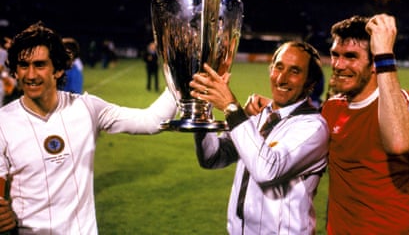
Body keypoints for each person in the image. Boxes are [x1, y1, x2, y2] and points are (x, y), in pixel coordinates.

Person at [0, 21, 178, 234]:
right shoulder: (4, 122)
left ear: (57, 69)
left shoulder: (87, 108)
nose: (30, 75)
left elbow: (151, 121)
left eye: (39, 65)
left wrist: (181, 79)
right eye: (23, 65)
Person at [190, 41, 329, 234]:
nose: (281, 78)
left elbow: (267, 170)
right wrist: (202, 109)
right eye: (278, 67)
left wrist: (232, 108)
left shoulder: (313, 128)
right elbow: (213, 157)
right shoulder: (257, 115)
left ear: (310, 84)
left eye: (294, 71)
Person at [322, 14, 409, 234]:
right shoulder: (331, 108)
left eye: (350, 56)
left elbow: (398, 143)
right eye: (335, 55)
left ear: (375, 63)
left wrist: (385, 55)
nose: (338, 65)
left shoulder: (402, 102)